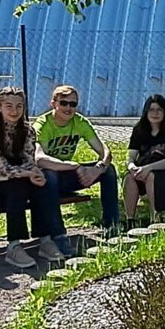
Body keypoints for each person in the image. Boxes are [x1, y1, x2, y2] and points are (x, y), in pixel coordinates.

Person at [0, 84, 67, 265]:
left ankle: (46, 239)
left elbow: (28, 158)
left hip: (21, 177)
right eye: (9, 106)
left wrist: (34, 173)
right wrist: (27, 173)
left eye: (19, 106)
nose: (14, 111)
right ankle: (14, 246)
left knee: (43, 183)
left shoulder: (27, 130)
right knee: (17, 186)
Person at [35, 83, 122, 233]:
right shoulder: (42, 124)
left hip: (69, 175)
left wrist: (97, 169)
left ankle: (112, 226)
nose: (68, 108)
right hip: (44, 181)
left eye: (73, 104)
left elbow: (105, 152)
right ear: (53, 104)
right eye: (64, 103)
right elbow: (39, 159)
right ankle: (57, 233)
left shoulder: (80, 122)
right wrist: (74, 166)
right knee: (50, 174)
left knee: (109, 170)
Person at [125, 94, 165, 219]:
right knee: (129, 178)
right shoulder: (139, 129)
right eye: (151, 109)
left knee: (152, 176)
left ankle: (155, 218)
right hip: (144, 168)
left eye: (159, 110)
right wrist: (132, 167)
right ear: (146, 112)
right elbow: (131, 157)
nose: (155, 113)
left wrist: (148, 168)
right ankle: (130, 219)